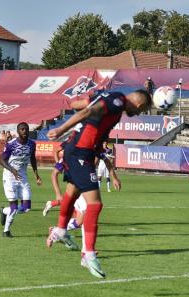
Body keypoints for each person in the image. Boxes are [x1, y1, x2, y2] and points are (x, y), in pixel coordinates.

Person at [46, 90, 152, 278]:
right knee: (95, 204)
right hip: (79, 152)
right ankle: (88, 254)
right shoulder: (117, 101)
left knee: (73, 191)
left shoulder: (114, 105)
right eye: (141, 111)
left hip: (82, 152)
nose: (138, 114)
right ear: (139, 105)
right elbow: (87, 112)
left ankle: (61, 229)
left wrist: (74, 103)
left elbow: (83, 105)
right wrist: (61, 130)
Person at [0, 122, 42, 238]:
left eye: (26, 129)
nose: (24, 131)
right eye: (22, 129)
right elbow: (2, 161)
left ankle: (4, 211)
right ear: (18, 132)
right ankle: (6, 231)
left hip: (23, 176)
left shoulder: (32, 144)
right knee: (14, 207)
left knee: (26, 208)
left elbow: (32, 158)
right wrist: (12, 170)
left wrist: (36, 174)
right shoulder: (11, 144)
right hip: (9, 176)